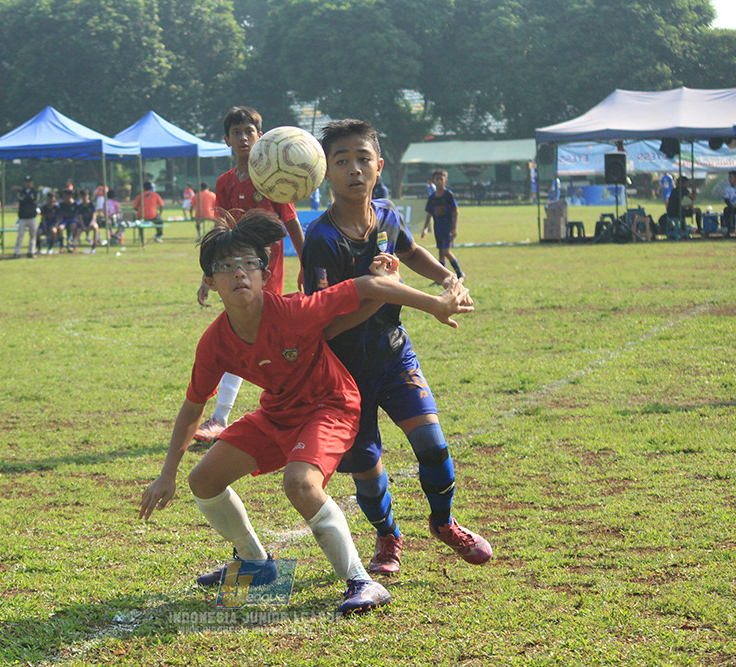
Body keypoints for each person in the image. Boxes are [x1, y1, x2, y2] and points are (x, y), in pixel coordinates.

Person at [139, 208, 475, 614]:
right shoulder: (214, 343)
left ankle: (362, 582)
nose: (239, 273)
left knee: (300, 483)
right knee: (203, 480)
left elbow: (367, 285)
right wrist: (167, 474)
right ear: (210, 283)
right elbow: (193, 406)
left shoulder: (294, 311)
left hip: (330, 405)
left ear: (265, 275)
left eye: (249, 264)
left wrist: (435, 303)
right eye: (226, 267)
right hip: (278, 412)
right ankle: (257, 566)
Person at [302, 119, 492, 576]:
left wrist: (446, 277)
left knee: (433, 446)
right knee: (366, 465)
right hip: (344, 374)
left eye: (363, 159)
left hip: (393, 354)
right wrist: (379, 291)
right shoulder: (320, 240)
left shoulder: (387, 213)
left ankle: (444, 523)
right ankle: (388, 537)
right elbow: (322, 328)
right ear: (326, 172)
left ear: (379, 165)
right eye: (341, 161)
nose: (354, 169)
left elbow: (410, 251)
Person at [192, 106, 306, 445]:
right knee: (245, 336)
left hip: (264, 269)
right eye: (237, 132)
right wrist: (207, 273)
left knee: (253, 336)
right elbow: (220, 228)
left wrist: (309, 263)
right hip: (232, 269)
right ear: (226, 139)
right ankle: (225, 417)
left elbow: (291, 222)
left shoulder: (271, 176)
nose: (244, 137)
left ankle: (230, 416)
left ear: (261, 135)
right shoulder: (225, 182)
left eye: (250, 131)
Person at [422, 169, 465, 279]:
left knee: (446, 251)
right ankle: (441, 278)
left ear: (445, 181)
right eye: (437, 179)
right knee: (441, 253)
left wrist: (454, 228)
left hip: (447, 228)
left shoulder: (448, 195)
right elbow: (429, 214)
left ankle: (459, 273)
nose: (439, 181)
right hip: (438, 228)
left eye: (441, 179)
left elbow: (456, 211)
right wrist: (425, 229)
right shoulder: (432, 198)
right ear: (433, 181)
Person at [14, 176, 39, 258]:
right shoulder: (21, 192)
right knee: (20, 236)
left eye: (29, 182)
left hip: (32, 216)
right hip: (23, 217)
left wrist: (27, 199)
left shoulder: (35, 192)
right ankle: (17, 252)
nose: (28, 183)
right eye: (26, 182)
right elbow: (21, 199)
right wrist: (29, 199)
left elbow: (35, 201)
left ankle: (31, 252)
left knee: (33, 236)